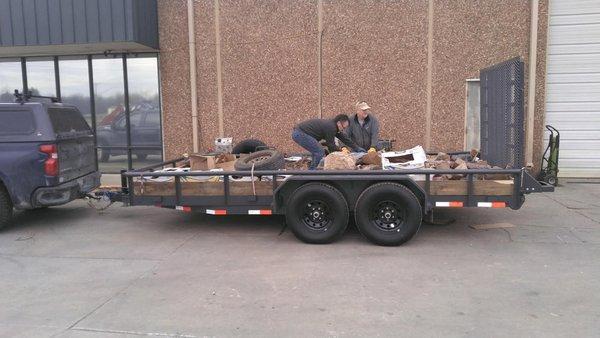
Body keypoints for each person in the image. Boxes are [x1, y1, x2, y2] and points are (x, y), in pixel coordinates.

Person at [292, 114, 360, 170]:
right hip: (300, 133)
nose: (343, 130)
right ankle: (311, 172)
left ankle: (312, 169)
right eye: (344, 127)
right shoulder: (331, 127)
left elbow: (344, 138)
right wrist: (342, 152)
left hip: (299, 133)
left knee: (317, 151)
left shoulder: (333, 126)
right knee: (319, 152)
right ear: (339, 123)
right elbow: (331, 146)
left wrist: (356, 148)